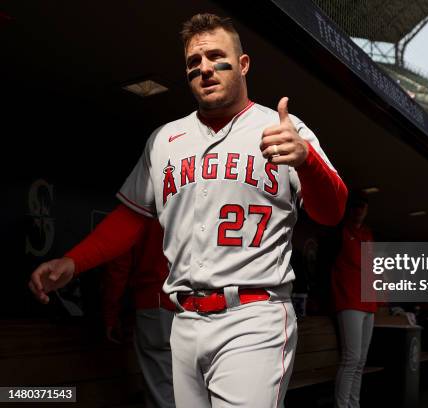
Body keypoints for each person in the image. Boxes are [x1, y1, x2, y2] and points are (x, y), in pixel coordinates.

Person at [29, 13, 348, 408]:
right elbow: (131, 218)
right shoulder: (164, 139)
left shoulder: (282, 128)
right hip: (182, 320)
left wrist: (305, 161)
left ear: (244, 64)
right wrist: (73, 262)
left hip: (253, 317)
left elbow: (332, 211)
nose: (205, 68)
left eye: (216, 56)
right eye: (194, 62)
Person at [103, 218, 175, 408]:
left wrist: (111, 314)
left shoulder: (140, 205)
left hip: (157, 303)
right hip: (200, 307)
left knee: (163, 395)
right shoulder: (196, 196)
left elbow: (119, 263)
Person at [330, 192, 376, 408]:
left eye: (363, 207)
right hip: (348, 301)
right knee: (351, 359)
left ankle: (353, 404)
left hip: (368, 303)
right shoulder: (340, 230)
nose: (359, 210)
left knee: (361, 362)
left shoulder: (368, 234)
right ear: (349, 208)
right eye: (356, 206)